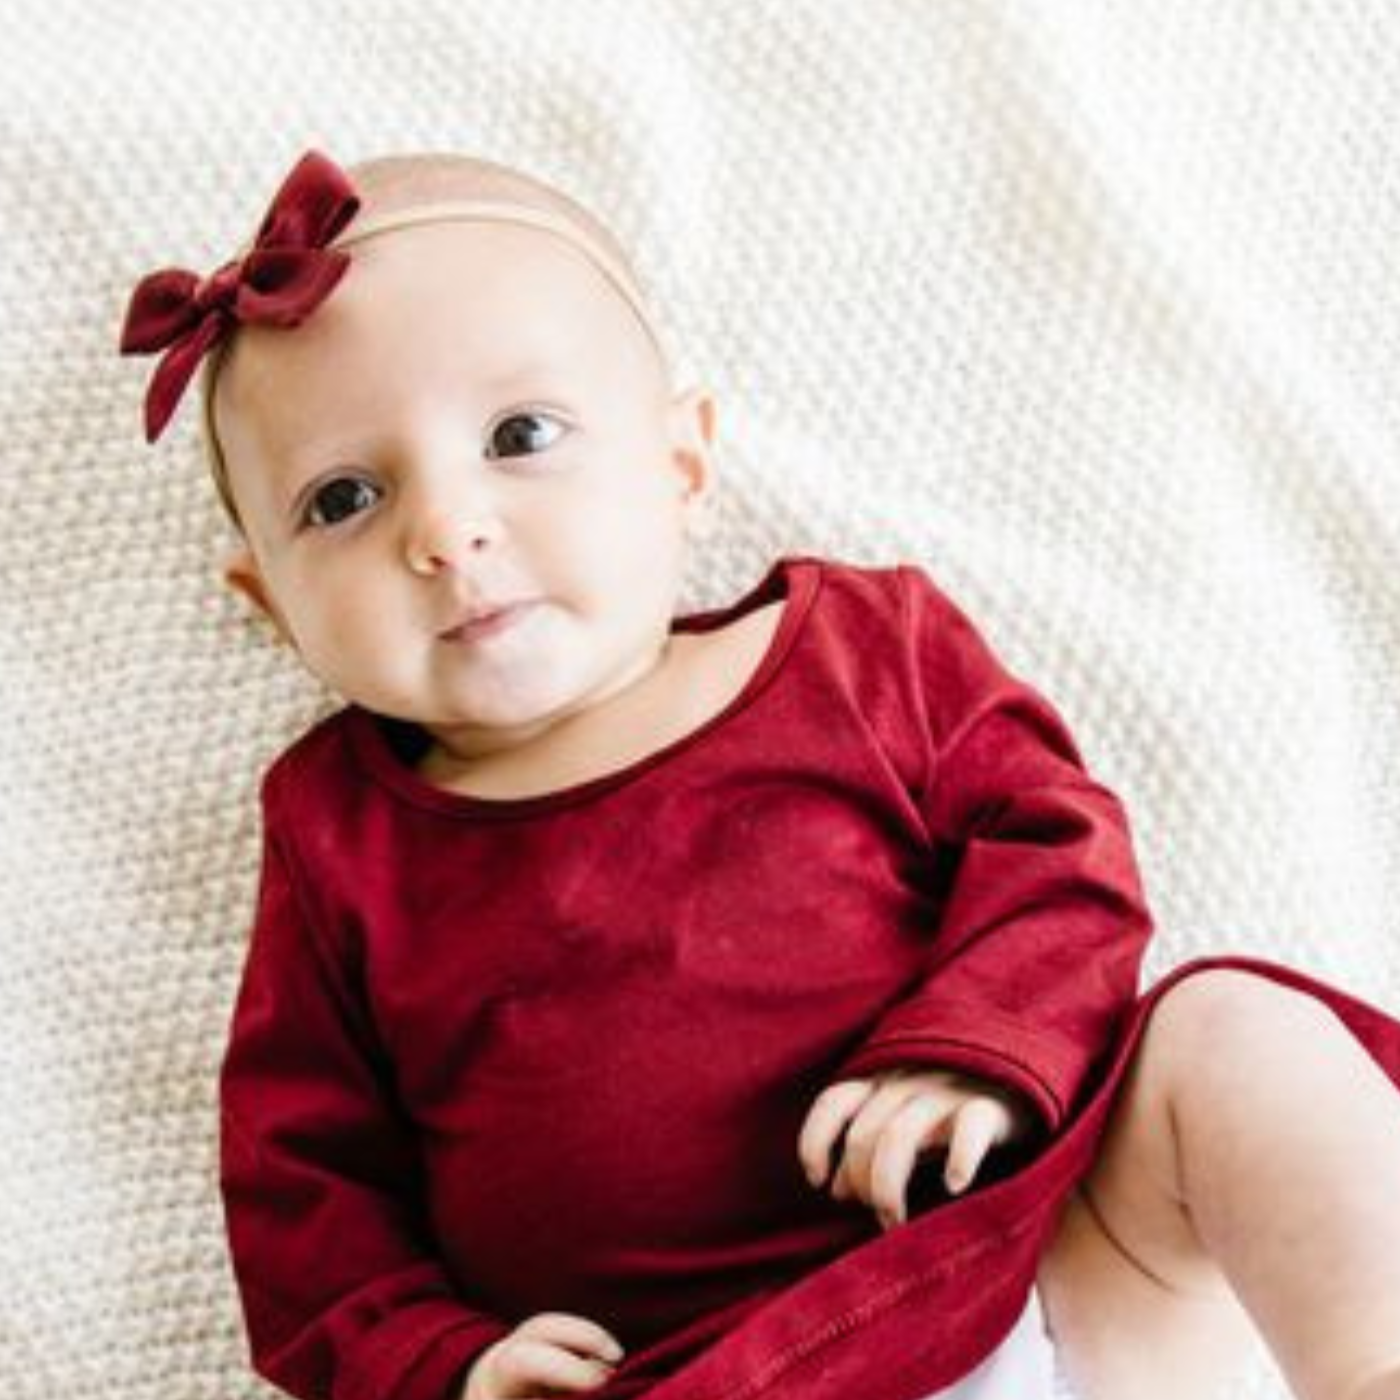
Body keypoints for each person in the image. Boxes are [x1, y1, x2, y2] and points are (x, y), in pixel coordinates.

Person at [118, 148, 1400, 1400]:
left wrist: (977, 1049)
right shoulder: (338, 833)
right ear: (271, 603)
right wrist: (439, 1360)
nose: (447, 529)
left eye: (520, 433)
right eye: (344, 498)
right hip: (690, 1373)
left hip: (1033, 1266)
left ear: (679, 461)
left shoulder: (860, 649)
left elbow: (1061, 855)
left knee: (1228, 1031)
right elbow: (300, 1184)